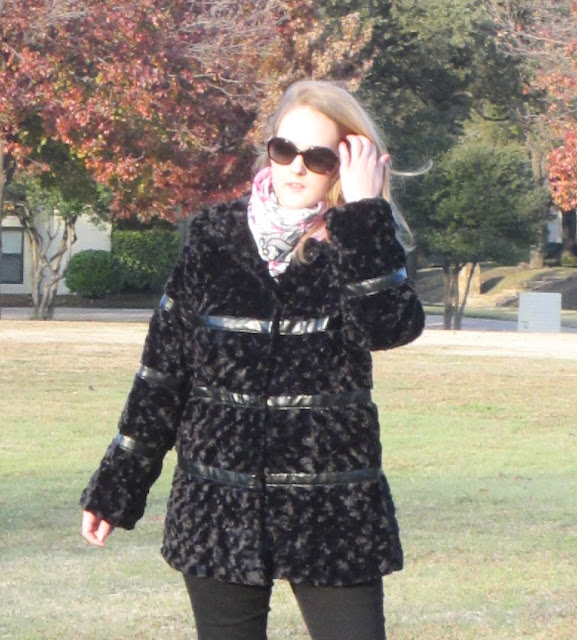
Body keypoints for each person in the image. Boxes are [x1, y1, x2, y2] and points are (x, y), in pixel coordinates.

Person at [80, 79, 425, 640]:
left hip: (332, 510)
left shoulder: (360, 243)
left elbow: (389, 328)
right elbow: (163, 375)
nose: (296, 167)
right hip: (219, 504)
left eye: (317, 157)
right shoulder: (213, 238)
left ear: (345, 162)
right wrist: (118, 486)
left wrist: (365, 214)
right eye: (284, 149)